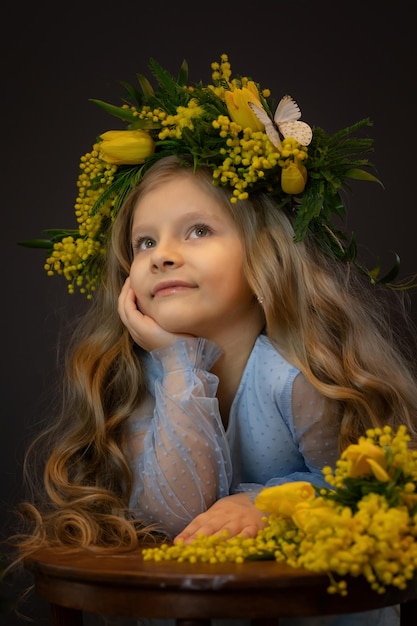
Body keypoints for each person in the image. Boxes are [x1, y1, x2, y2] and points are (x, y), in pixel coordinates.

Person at [11, 54, 417, 625]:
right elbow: (177, 517)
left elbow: (363, 494)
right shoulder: (137, 380)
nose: (164, 255)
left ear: (264, 253)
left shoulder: (297, 377)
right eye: (145, 243)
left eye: (198, 230)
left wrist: (266, 504)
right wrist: (178, 362)